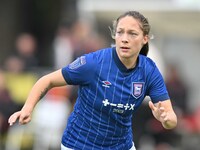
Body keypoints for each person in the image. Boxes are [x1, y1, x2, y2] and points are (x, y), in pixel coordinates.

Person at [8, 11, 177, 150]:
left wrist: (165, 119)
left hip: (121, 146)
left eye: (132, 33)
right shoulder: (93, 63)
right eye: (120, 32)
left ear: (145, 38)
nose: (124, 38)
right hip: (80, 144)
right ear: (115, 35)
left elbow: (171, 119)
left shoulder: (149, 70)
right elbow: (47, 80)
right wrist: (27, 108)